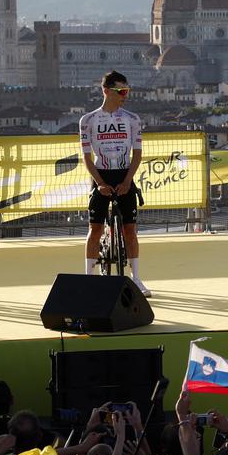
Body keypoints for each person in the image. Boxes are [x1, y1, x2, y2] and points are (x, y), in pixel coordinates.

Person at [79, 70, 149, 295]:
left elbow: (137, 155)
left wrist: (128, 181)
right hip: (100, 174)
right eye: (121, 91)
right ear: (106, 90)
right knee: (95, 228)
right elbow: (87, 158)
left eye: (127, 91)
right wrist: (99, 183)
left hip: (124, 174)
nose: (125, 95)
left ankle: (136, 278)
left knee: (130, 229)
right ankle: (89, 278)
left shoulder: (132, 120)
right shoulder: (88, 121)